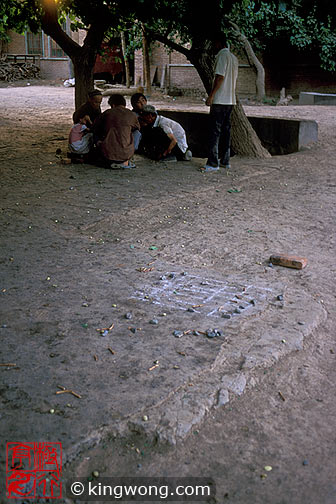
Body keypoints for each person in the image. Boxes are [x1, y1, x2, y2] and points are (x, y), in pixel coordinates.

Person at [203, 33, 238, 173]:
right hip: (230, 100)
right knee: (226, 131)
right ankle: (225, 160)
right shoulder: (234, 58)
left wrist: (211, 95)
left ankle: (213, 163)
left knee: (215, 132)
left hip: (220, 100)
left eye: (215, 43)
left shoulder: (222, 56)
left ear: (219, 43)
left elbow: (220, 77)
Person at [93, 94, 140, 169]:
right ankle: (129, 154)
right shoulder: (132, 114)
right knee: (137, 133)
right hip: (127, 154)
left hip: (108, 154)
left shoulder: (107, 113)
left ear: (113, 105)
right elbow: (137, 128)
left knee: (96, 134)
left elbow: (95, 127)